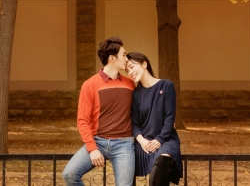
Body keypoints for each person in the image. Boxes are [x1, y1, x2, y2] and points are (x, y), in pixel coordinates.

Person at [63, 37, 135, 186]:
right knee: (69, 174)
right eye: (124, 55)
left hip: (124, 144)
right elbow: (82, 121)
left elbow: (145, 109)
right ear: (112, 58)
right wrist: (92, 148)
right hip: (98, 142)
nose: (127, 59)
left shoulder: (130, 84)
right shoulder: (90, 85)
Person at [126, 52, 182, 186]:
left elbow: (170, 118)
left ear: (144, 63)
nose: (130, 72)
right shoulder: (135, 94)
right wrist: (142, 141)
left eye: (132, 67)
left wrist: (159, 140)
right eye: (127, 70)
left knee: (163, 159)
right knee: (126, 160)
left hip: (166, 139)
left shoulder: (166, 86)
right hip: (143, 142)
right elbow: (134, 123)